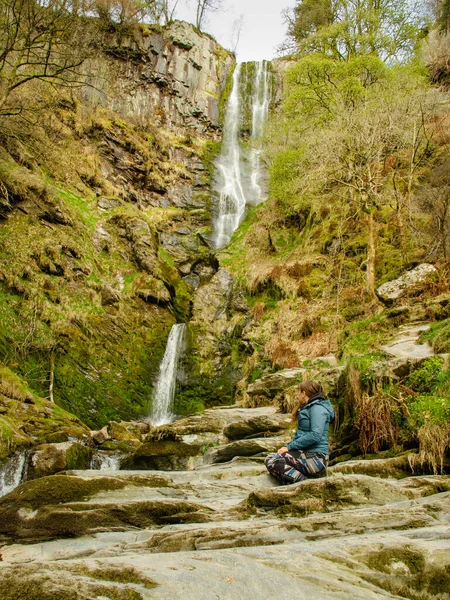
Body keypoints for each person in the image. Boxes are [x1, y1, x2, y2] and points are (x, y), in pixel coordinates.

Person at [265, 380, 335, 485]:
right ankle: (293, 484)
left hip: (316, 458)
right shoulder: (310, 407)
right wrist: (287, 447)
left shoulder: (318, 409)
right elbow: (303, 435)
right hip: (306, 454)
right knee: (273, 458)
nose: (297, 395)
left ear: (304, 393)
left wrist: (289, 447)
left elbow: (315, 435)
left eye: (298, 392)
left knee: (273, 460)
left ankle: (305, 484)